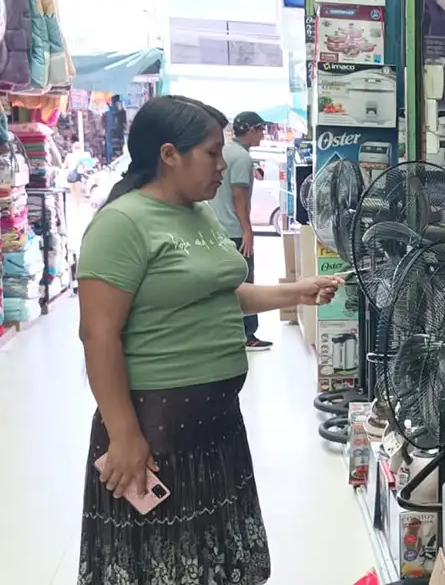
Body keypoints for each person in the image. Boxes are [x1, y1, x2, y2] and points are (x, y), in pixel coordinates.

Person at [76, 95, 342, 585]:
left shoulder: (197, 214)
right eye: (212, 153)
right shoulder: (122, 223)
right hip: (157, 427)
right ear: (169, 154)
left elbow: (221, 295)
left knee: (213, 562)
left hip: (215, 424)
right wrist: (124, 434)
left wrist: (296, 292)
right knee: (163, 564)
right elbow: (98, 335)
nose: (223, 165)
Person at [207, 111, 273, 351]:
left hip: (216, 228)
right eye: (261, 130)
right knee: (245, 281)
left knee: (223, 284)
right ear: (251, 130)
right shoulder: (242, 158)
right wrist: (248, 231)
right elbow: (239, 196)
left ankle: (225, 331)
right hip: (234, 231)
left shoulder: (225, 151)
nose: (263, 134)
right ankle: (247, 334)